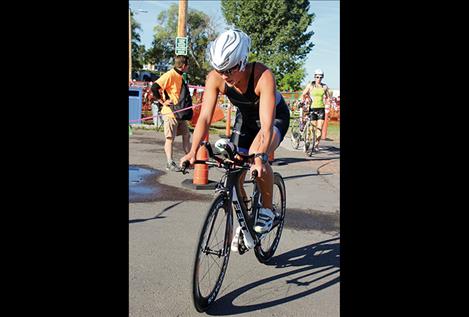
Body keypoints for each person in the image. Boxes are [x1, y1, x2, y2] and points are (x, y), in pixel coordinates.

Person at [179, 29, 290, 237]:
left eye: (229, 70)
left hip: (274, 118)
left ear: (242, 62)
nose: (224, 76)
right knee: (234, 164)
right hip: (246, 119)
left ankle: (267, 210)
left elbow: (265, 127)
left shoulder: (262, 75)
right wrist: (192, 151)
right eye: (220, 70)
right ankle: (246, 210)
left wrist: (258, 158)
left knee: (257, 153)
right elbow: (204, 118)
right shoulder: (216, 78)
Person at [151, 55, 191, 172]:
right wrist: (162, 101)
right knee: (170, 139)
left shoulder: (180, 76)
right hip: (170, 113)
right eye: (187, 66)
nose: (188, 68)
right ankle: (170, 162)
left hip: (180, 113)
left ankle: (189, 159)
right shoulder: (170, 74)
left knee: (186, 135)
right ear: (183, 66)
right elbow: (154, 87)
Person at [301, 69, 331, 151]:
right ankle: (307, 141)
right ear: (314, 77)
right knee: (312, 128)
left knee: (319, 128)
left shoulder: (324, 86)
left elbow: (328, 97)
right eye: (317, 77)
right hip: (312, 108)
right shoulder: (310, 85)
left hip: (321, 108)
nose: (319, 78)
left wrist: (328, 104)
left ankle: (316, 145)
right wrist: (307, 98)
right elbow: (304, 94)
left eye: (321, 77)